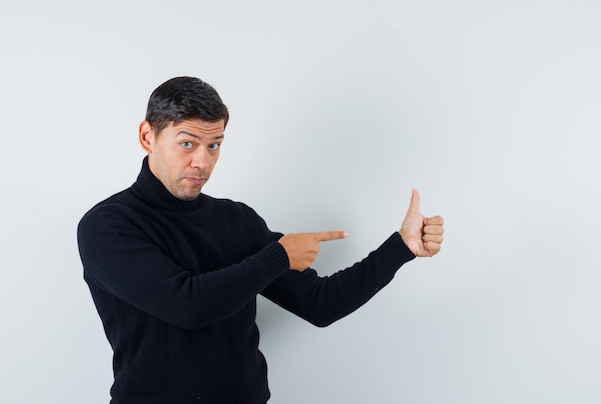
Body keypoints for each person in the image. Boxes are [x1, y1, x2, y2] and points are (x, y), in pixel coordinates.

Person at [77, 76, 444, 404]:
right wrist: (278, 257)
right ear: (147, 137)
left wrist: (401, 247)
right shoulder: (108, 226)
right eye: (187, 144)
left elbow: (320, 303)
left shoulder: (236, 219)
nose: (202, 162)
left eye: (214, 145)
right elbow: (187, 306)